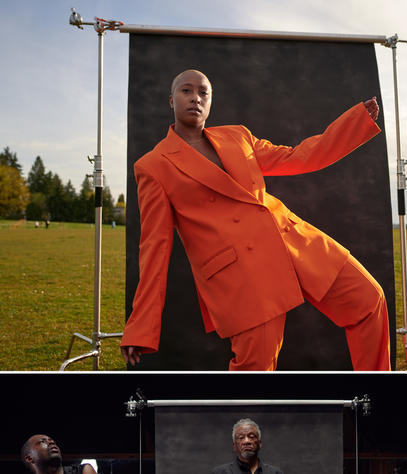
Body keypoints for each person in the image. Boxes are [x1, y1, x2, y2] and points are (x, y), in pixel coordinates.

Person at [120, 69, 390, 371]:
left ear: (210, 102)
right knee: (257, 367)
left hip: (293, 242)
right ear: (171, 100)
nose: (195, 97)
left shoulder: (238, 135)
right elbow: (154, 249)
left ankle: (374, 400)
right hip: (242, 274)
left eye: (203, 92)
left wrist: (353, 124)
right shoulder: (153, 166)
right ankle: (246, 420)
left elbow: (298, 156)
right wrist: (140, 327)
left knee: (370, 301)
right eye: (186, 90)